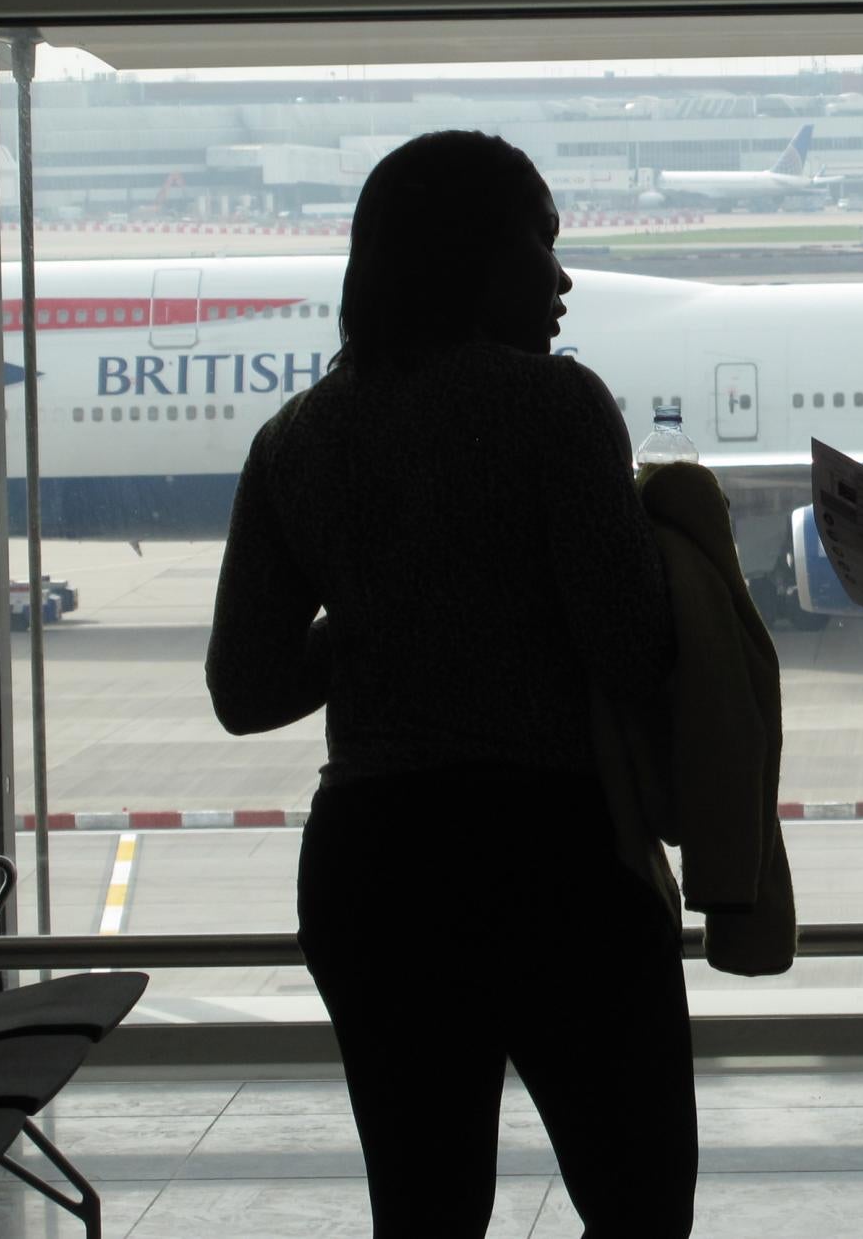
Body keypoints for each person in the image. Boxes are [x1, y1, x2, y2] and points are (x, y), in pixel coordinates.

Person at [208, 131, 692, 1239]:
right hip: (552, 854)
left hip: (373, 866)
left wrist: (375, 612)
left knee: (425, 1213)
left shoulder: (296, 439)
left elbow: (244, 690)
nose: (563, 279)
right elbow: (626, 649)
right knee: (638, 1203)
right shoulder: (556, 406)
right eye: (543, 243)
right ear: (475, 254)